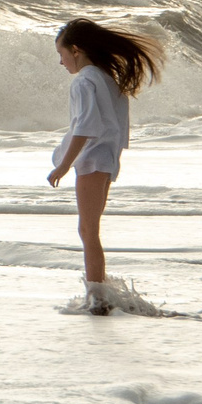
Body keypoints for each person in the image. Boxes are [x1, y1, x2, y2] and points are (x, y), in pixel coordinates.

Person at [46, 17, 163, 315]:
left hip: (92, 161)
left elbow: (84, 127)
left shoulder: (84, 81)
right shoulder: (109, 79)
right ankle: (98, 295)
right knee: (90, 230)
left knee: (87, 230)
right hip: (108, 161)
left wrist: (64, 165)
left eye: (61, 55)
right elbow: (120, 128)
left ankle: (97, 299)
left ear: (76, 50)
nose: (61, 63)